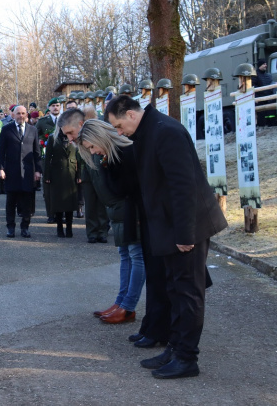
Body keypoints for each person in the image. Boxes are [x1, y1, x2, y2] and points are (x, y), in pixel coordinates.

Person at [105, 95, 227, 379]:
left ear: (132, 114)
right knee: (173, 289)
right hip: (169, 226)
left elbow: (183, 187)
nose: (119, 133)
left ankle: (187, 358)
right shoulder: (150, 131)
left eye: (119, 126)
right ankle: (174, 347)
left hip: (186, 228)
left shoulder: (165, 131)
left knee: (187, 293)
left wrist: (186, 234)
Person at [76, 119, 145, 324]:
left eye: (92, 146)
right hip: (121, 211)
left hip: (133, 212)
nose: (94, 152)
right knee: (126, 255)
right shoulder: (110, 155)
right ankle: (121, 302)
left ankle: (127, 306)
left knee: (136, 256)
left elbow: (129, 188)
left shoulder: (126, 152)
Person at [60, 109, 110, 243]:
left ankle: (102, 231)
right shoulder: (79, 141)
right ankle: (92, 232)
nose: (70, 138)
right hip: (87, 173)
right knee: (90, 204)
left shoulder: (97, 133)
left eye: (71, 133)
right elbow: (79, 156)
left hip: (101, 172)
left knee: (102, 202)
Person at [0, 106, 42, 238]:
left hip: (28, 172)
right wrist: (0, 168)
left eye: (23, 113)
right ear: (13, 115)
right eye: (18, 113)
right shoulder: (6, 130)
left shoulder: (33, 130)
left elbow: (36, 152)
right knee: (11, 202)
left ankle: (25, 227)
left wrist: (38, 170)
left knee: (27, 203)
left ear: (26, 115)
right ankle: (10, 228)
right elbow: (1, 151)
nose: (21, 116)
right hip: (11, 171)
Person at [44, 109, 82, 237]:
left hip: (71, 174)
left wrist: (79, 175)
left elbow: (79, 158)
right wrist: (47, 175)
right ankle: (59, 228)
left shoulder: (74, 138)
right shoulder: (52, 138)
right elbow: (47, 158)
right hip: (57, 175)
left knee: (70, 204)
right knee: (59, 204)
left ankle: (69, 228)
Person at [37, 98, 61, 222]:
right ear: (49, 108)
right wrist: (42, 144)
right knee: (47, 188)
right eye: (53, 106)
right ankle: (50, 214)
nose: (55, 108)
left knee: (60, 188)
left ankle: (60, 214)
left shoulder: (64, 120)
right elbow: (35, 138)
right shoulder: (42, 122)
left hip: (62, 158)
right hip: (46, 158)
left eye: (57, 105)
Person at [252, 59, 274, 126]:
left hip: (269, 99)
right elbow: (253, 86)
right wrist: (257, 98)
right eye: (264, 64)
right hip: (260, 100)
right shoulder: (255, 75)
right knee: (261, 115)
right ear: (259, 65)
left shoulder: (268, 76)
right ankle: (262, 126)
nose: (266, 65)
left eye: (266, 64)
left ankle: (271, 124)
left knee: (271, 113)